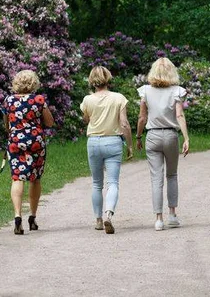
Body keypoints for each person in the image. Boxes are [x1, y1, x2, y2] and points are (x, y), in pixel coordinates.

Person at [136, 58, 190, 231]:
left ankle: (158, 219)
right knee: (172, 175)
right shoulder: (177, 91)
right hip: (171, 135)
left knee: (156, 178)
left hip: (152, 135)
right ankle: (172, 215)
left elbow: (142, 117)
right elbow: (180, 115)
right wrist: (186, 138)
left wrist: (138, 136)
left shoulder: (145, 91)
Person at [80, 66, 134, 234]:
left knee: (97, 183)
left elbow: (86, 119)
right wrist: (130, 145)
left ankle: (97, 220)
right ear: (108, 79)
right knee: (113, 183)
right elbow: (124, 123)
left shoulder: (87, 100)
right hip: (113, 142)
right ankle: (108, 216)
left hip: (94, 142)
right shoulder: (119, 98)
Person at [1, 70, 55, 235]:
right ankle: (32, 217)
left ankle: (17, 216)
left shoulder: (8, 100)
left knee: (17, 178)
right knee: (35, 179)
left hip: (16, 142)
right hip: (35, 143)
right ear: (33, 83)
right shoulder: (38, 100)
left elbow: (7, 125)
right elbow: (50, 122)